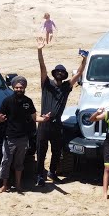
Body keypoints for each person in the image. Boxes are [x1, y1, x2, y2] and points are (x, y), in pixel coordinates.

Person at [34, 38, 86, 187]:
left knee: (57, 150)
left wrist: (84, 59)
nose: (59, 73)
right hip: (44, 123)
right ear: (54, 73)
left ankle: (52, 172)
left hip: (56, 124)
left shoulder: (66, 87)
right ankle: (39, 175)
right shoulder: (46, 84)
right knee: (41, 151)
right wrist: (40, 50)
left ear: (64, 75)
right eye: (57, 71)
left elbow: (80, 72)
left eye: (62, 72)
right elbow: (42, 67)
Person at [0, 76, 46, 193]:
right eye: (17, 87)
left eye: (21, 87)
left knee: (19, 163)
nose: (19, 89)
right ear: (13, 88)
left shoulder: (28, 101)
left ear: (24, 88)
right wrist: (0, 119)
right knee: (6, 162)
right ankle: (4, 185)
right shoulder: (7, 101)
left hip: (23, 138)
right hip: (10, 138)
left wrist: (44, 119)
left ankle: (18, 185)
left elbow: (34, 118)